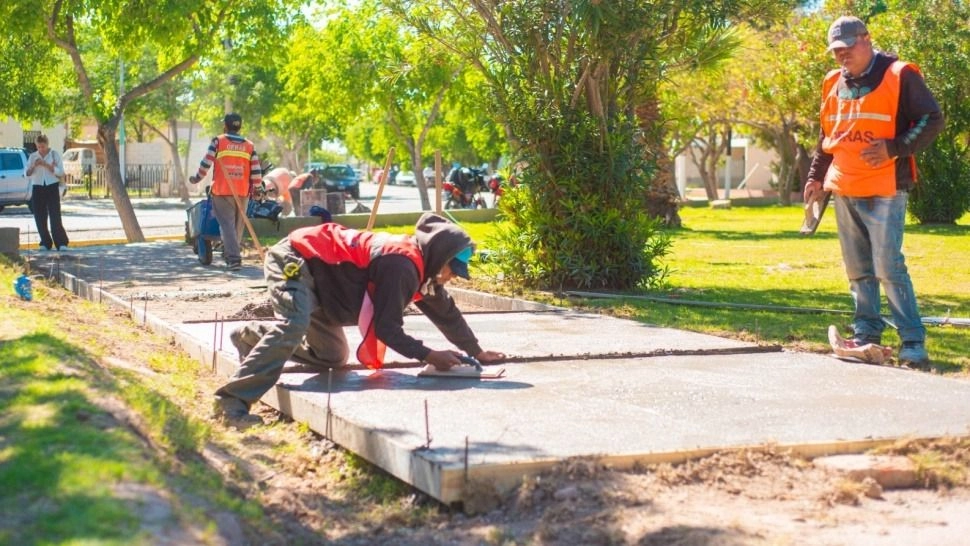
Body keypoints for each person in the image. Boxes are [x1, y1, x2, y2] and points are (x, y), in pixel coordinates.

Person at [213, 212, 506, 421]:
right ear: (440, 258)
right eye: (453, 270)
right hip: (297, 259)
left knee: (332, 356)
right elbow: (387, 328)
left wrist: (477, 352)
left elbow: (447, 314)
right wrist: (430, 355)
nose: (452, 277)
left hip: (328, 286)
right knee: (295, 323)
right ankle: (232, 400)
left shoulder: (424, 273)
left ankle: (251, 336)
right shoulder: (401, 265)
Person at [804, 16, 944, 369]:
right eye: (836, 50)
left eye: (848, 47)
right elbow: (827, 136)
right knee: (858, 268)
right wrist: (815, 177)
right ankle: (866, 334)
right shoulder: (832, 82)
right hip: (844, 185)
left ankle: (912, 342)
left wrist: (895, 147)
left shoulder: (900, 74)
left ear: (866, 39)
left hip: (886, 187)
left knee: (888, 266)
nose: (841, 56)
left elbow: (932, 119)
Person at [189, 113, 262, 271]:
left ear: (225, 126)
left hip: (222, 190)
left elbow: (206, 162)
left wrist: (197, 178)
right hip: (242, 191)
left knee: (227, 225)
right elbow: (256, 171)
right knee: (237, 226)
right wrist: (258, 189)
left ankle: (234, 258)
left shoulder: (219, 141)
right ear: (239, 127)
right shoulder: (249, 145)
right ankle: (231, 253)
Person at [25, 135, 69, 251]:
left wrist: (47, 165)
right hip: (37, 187)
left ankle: (61, 243)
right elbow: (27, 173)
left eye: (43, 147)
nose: (41, 149)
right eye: (39, 147)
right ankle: (45, 242)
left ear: (47, 144)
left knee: (55, 215)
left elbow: (61, 172)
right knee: (39, 216)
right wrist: (35, 165)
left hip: (52, 187)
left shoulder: (54, 155)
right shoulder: (33, 156)